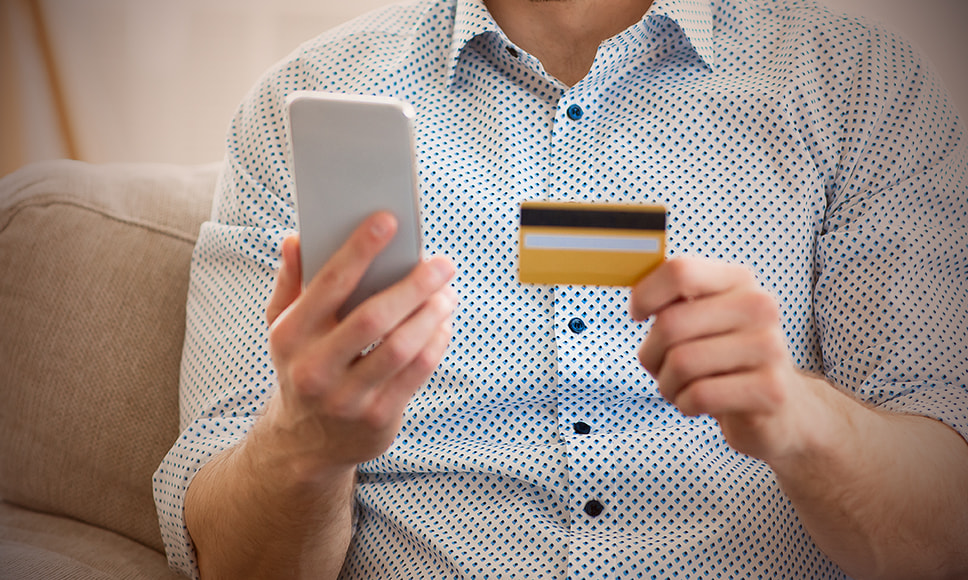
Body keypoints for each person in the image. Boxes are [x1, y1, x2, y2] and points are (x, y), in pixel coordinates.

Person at [153, 0, 968, 578]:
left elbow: (946, 539)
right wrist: (305, 444)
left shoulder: (864, 88)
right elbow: (232, 562)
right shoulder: (300, 109)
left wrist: (802, 417)